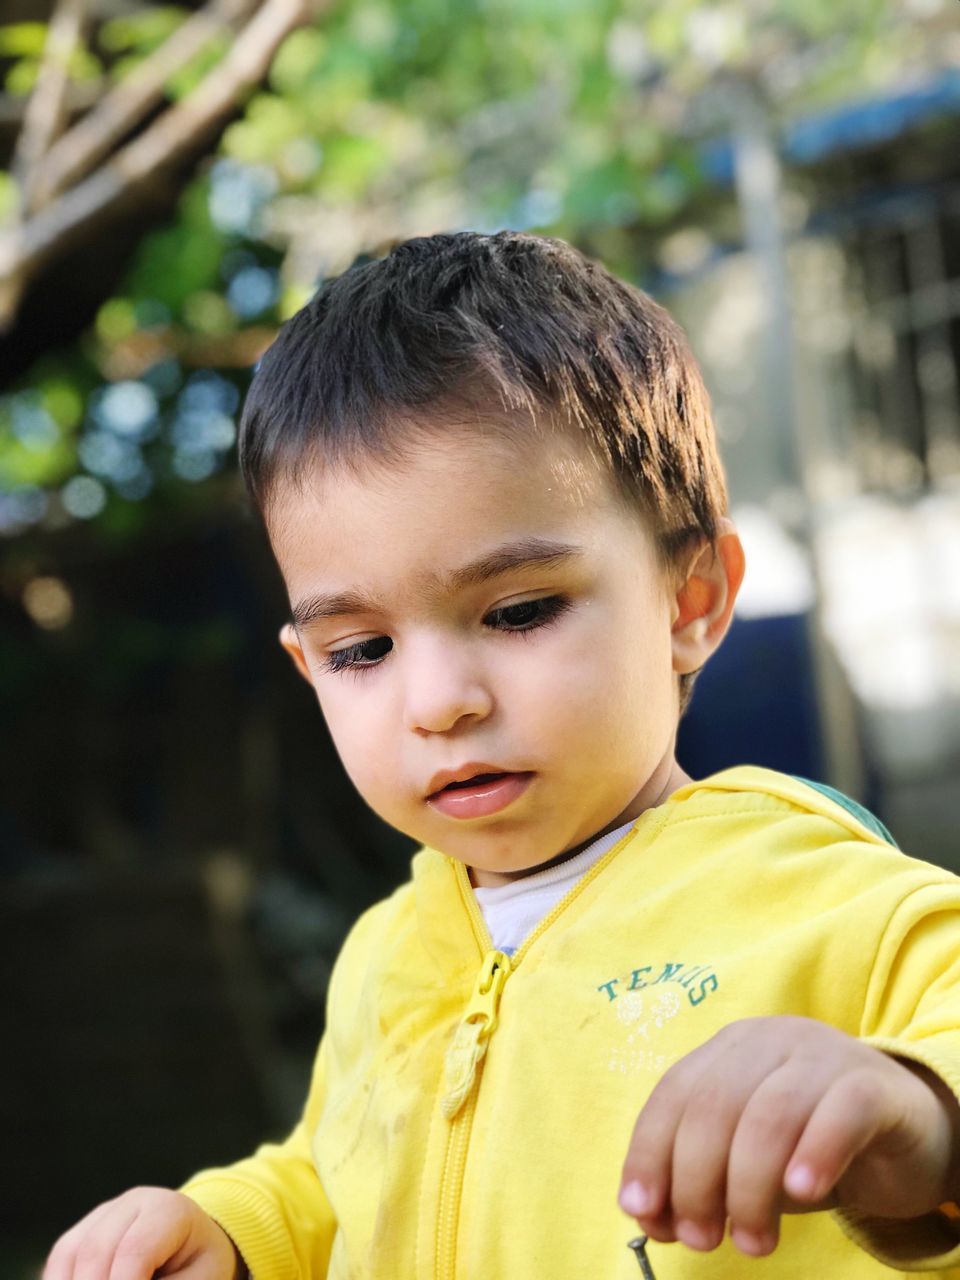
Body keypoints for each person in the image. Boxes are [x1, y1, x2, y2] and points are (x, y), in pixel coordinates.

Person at [44, 232, 960, 1280]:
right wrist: (232, 1229)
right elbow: (332, 1175)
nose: (439, 701)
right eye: (363, 649)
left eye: (519, 610)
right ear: (306, 665)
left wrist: (909, 1106)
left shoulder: (827, 901)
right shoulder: (390, 951)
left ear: (691, 597)